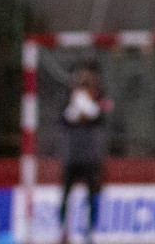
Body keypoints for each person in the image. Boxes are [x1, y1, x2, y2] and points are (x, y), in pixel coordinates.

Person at [59, 63, 112, 244]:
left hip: (90, 157)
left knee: (91, 195)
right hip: (72, 156)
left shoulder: (97, 105)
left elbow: (100, 118)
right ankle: (63, 230)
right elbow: (63, 121)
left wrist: (91, 110)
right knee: (66, 195)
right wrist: (75, 111)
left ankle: (90, 231)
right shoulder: (69, 105)